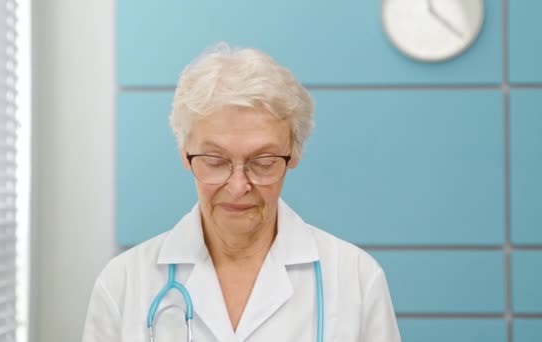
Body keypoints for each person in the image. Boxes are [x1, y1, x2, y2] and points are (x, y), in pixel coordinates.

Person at [82, 43, 402, 342]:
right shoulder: (124, 283)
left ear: (294, 154)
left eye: (262, 161)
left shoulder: (356, 278)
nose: (238, 187)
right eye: (215, 160)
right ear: (184, 153)